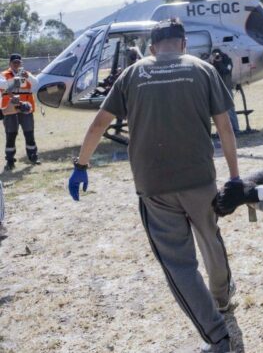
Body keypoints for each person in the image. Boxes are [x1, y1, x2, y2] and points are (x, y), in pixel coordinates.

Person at [67, 18, 240, 353]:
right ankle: (222, 298)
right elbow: (226, 128)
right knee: (210, 237)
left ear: (151, 46)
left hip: (154, 186)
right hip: (200, 179)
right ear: (183, 43)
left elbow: (99, 122)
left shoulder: (133, 74)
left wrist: (81, 165)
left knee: (179, 265)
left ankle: (217, 337)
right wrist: (235, 177)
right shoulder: (203, 69)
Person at [1, 53, 39, 171]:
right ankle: (10, 160)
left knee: (29, 134)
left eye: (19, 62)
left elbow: (36, 84)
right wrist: (15, 78)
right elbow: (2, 84)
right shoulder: (4, 75)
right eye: (14, 62)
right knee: (11, 135)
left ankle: (33, 156)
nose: (17, 65)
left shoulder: (27, 74)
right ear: (10, 63)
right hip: (10, 110)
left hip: (26, 110)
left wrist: (26, 76)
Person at [209, 49, 240, 134]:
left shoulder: (227, 60)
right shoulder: (213, 63)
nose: (217, 57)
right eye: (215, 55)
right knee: (219, 110)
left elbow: (226, 71)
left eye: (217, 55)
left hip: (227, 88)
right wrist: (212, 63)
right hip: (218, 89)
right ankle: (221, 131)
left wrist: (219, 62)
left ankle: (236, 129)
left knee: (230, 109)